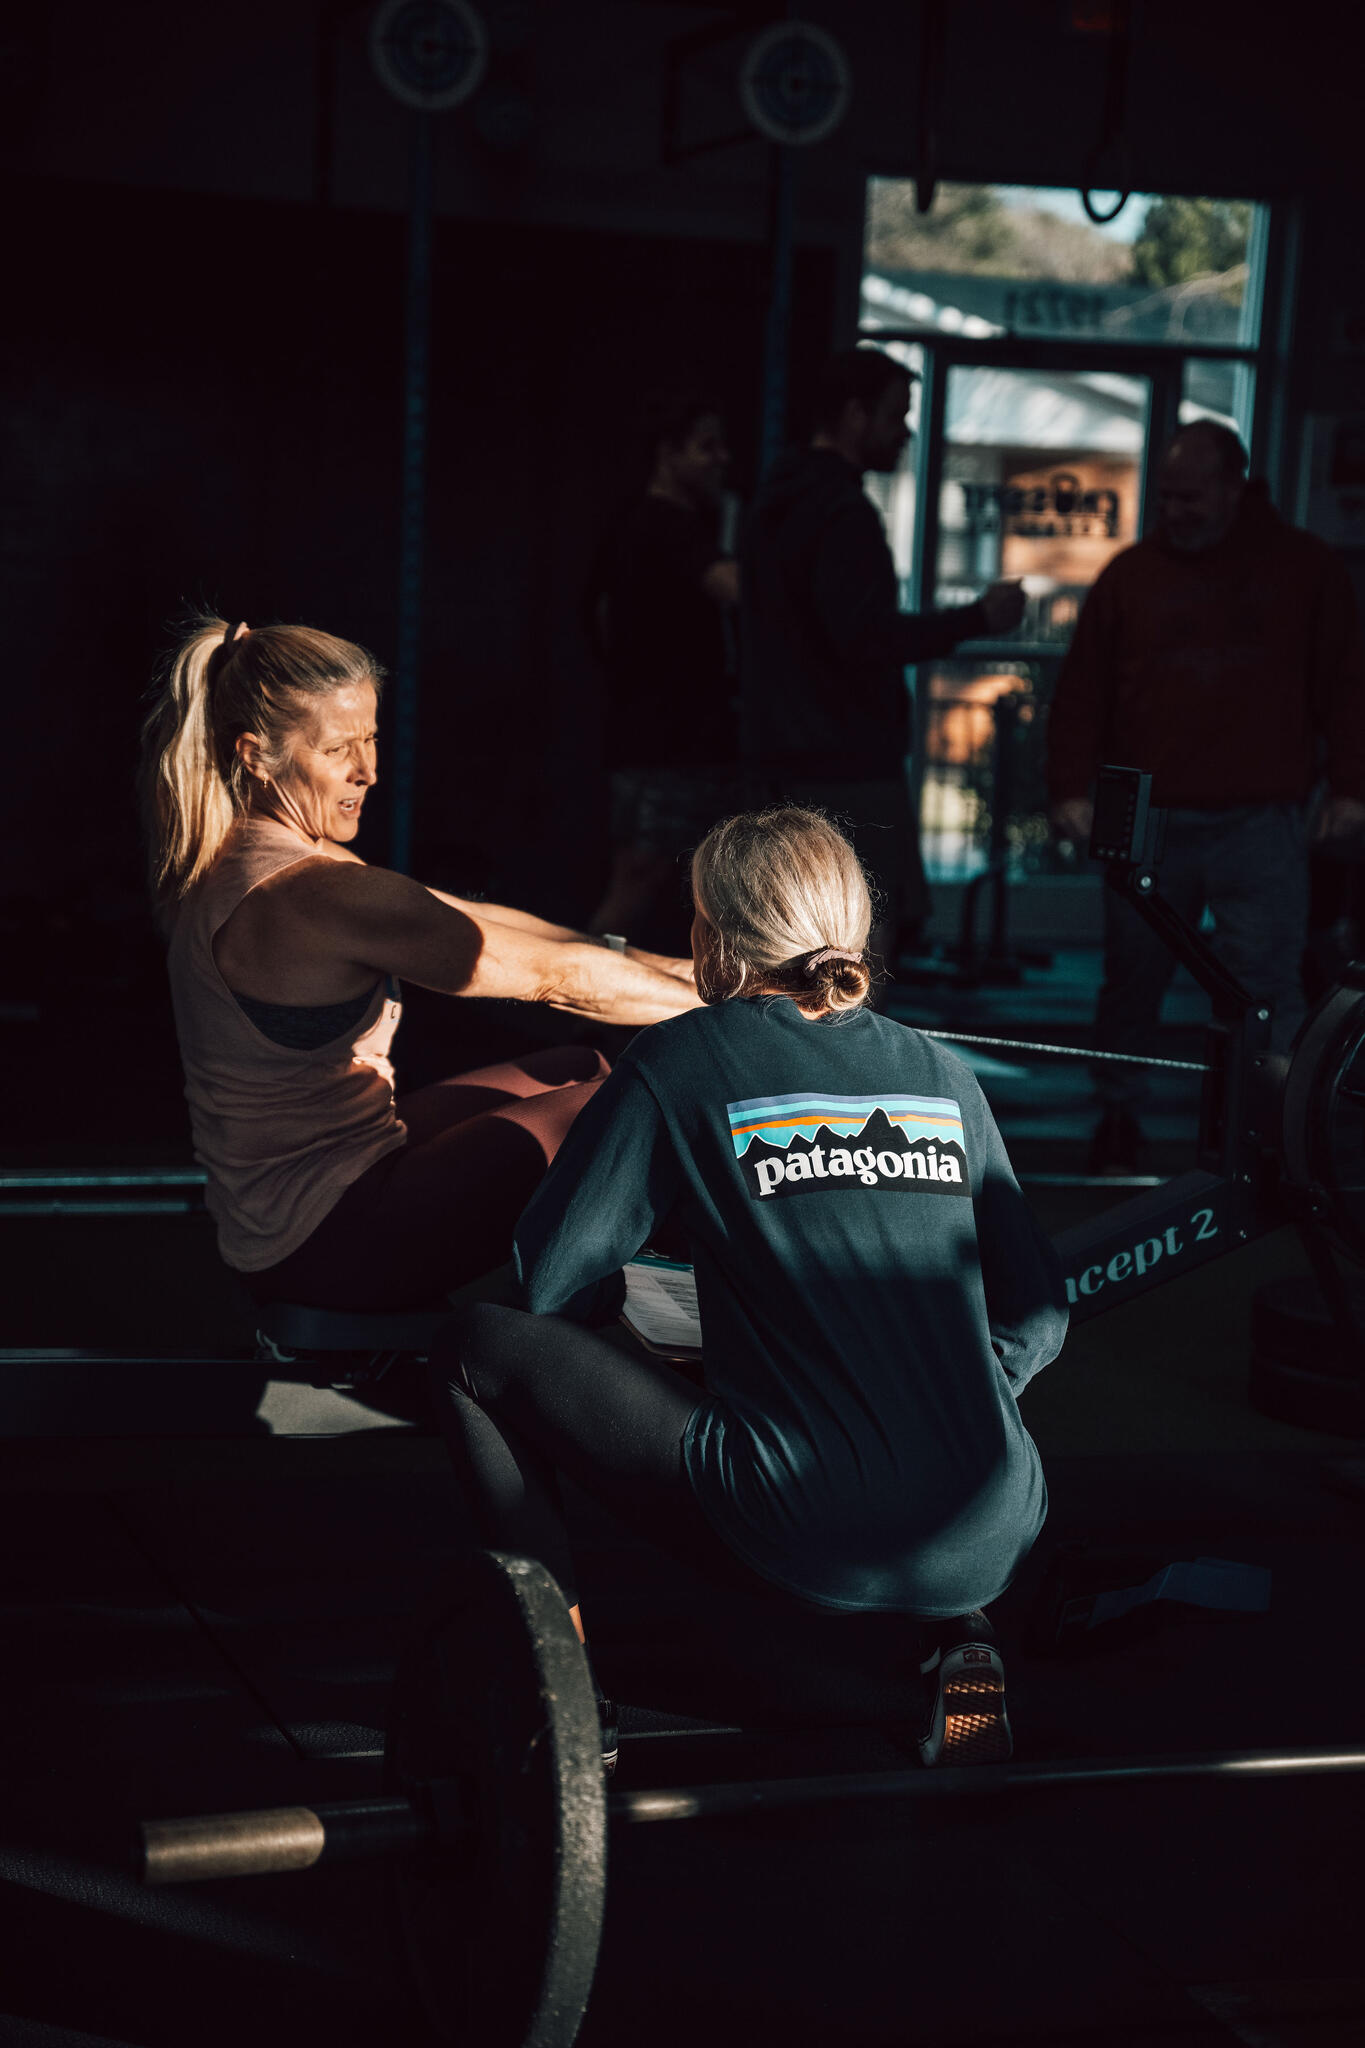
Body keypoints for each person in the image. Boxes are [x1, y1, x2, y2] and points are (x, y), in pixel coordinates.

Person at [431, 807, 1068, 1772]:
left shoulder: (681, 1055)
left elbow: (551, 1276)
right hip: (995, 1531)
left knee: (475, 1347)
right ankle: (957, 1639)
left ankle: (554, 1681)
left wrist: (642, 1334)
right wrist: (931, 1389)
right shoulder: (944, 1074)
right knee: (889, 1406)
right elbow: (1039, 1317)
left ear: (713, 938)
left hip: (806, 1527)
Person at [139, 615, 700, 1309]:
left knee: (581, 1067)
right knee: (636, 1101)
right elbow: (556, 978)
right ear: (256, 755)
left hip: (317, 1195)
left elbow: (492, 924)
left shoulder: (264, 858)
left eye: (371, 738)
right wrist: (757, 1009)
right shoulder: (312, 893)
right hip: (327, 1239)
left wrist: (691, 972)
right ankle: (635, 1321)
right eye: (339, 749)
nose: (368, 771)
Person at [1047, 421, 1365, 1174]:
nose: (1173, 511)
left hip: (1259, 817)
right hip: (1148, 817)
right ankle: (1118, 1112)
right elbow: (1082, 690)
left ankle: (1277, 1132)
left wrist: (1352, 787)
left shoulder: (1304, 570)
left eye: (1189, 496)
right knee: (1132, 978)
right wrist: (1066, 789)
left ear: (1232, 487)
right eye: (1164, 496)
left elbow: (1347, 683)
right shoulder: (1131, 575)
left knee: (1266, 984)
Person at [740, 346, 1025, 955]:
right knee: (862, 932)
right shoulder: (843, 512)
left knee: (791, 933)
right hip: (847, 760)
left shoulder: (773, 503)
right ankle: (848, 1027)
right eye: (896, 415)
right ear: (854, 415)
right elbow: (865, 637)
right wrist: (978, 617)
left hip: (779, 756)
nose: (905, 432)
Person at [586, 393, 744, 948]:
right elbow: (734, 590)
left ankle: (592, 989)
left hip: (647, 737)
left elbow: (599, 620)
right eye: (706, 446)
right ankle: (582, 990)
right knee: (640, 880)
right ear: (668, 452)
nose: (722, 459)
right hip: (668, 743)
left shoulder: (631, 524)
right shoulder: (668, 525)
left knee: (646, 880)